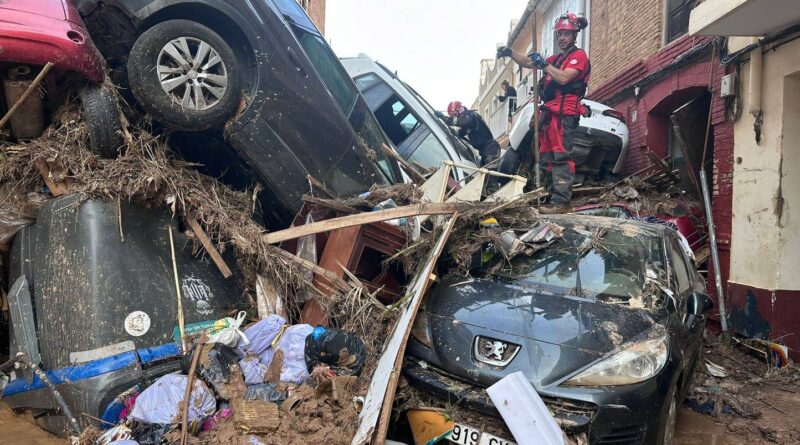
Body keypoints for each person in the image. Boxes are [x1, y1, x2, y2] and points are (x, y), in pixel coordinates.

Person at [496, 12, 590, 213]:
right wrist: (510, 52)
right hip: (550, 114)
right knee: (547, 158)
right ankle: (550, 196)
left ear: (574, 35)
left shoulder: (578, 56)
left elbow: (564, 79)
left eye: (566, 34)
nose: (562, 38)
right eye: (559, 34)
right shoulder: (556, 58)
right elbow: (528, 62)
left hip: (565, 113)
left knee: (561, 157)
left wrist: (544, 64)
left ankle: (561, 202)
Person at [435, 101, 500, 167]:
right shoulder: (468, 125)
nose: (454, 117)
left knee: (489, 175)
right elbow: (459, 133)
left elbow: (463, 122)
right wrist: (448, 129)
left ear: (459, 110)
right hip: (485, 151)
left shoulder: (473, 116)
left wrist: (444, 118)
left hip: (491, 149)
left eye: (454, 115)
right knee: (483, 175)